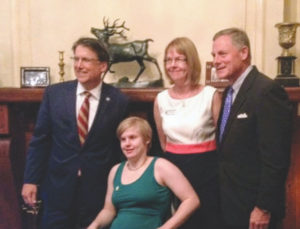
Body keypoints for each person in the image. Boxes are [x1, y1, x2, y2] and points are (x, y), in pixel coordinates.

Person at [21, 37, 129, 228]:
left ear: (102, 66)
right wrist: (31, 180)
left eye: (86, 60)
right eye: (76, 59)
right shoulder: (55, 94)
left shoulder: (118, 100)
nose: (78, 65)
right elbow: (40, 141)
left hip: (97, 192)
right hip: (57, 189)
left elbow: (121, 149)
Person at [212, 28, 292, 229]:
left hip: (255, 212)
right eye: (214, 55)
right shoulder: (230, 92)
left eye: (222, 54)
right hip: (230, 206)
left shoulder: (266, 91)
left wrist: (263, 207)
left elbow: (276, 158)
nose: (215, 60)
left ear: (244, 53)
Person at [153, 37, 222, 229]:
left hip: (207, 171)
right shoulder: (161, 99)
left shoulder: (210, 95)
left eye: (179, 59)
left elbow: (224, 139)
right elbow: (163, 142)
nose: (172, 65)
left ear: (191, 62)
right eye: (168, 60)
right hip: (175, 172)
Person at [87, 116, 200, 229]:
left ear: (147, 139)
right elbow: (109, 210)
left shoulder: (161, 166)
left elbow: (191, 200)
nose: (127, 143)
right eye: (123, 139)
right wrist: (94, 225)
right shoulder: (115, 170)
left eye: (132, 138)